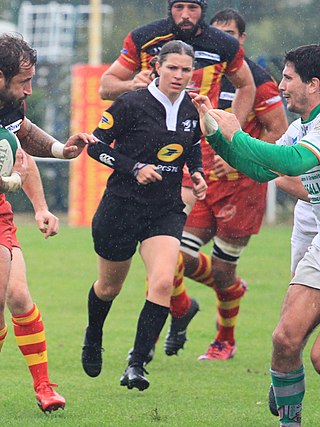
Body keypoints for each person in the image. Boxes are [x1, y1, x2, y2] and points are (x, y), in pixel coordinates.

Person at [99, 0, 256, 358]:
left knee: (173, 258)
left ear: (204, 9)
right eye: (179, 7)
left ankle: (155, 339)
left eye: (193, 8)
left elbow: (248, 87)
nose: (186, 15)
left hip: (197, 151)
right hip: (154, 155)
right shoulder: (144, 38)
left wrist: (229, 136)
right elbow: (106, 87)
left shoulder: (224, 45)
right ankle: (180, 310)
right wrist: (130, 85)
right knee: (166, 257)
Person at [191, 43, 320, 427]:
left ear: (313, 84)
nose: (280, 85)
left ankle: (287, 376)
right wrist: (216, 136)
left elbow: (295, 163)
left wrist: (237, 132)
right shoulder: (300, 127)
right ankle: (290, 416)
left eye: (288, 78)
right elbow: (263, 169)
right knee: (286, 341)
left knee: (306, 351)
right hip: (313, 229)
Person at [81, 40, 207, 391]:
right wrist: (133, 167)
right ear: (156, 67)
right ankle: (94, 335)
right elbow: (96, 146)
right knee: (109, 287)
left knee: (163, 282)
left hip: (164, 209)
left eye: (186, 69)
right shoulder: (130, 103)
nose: (180, 76)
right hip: (121, 207)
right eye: (173, 68)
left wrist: (196, 174)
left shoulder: (192, 109)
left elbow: (192, 147)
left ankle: (136, 364)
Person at [174, 8, 288, 362]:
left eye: (231, 35)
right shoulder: (199, 73)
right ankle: (208, 299)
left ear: (241, 40)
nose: (223, 41)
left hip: (243, 187)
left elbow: (279, 130)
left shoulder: (256, 78)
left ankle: (225, 338)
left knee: (223, 268)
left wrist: (239, 153)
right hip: (204, 182)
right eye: (217, 34)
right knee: (176, 257)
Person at [0, 33, 95, 413]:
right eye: (23, 81)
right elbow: (12, 170)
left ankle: (44, 387)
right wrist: (10, 181)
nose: (29, 90)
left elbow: (20, 142)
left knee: (19, 297)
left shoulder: (9, 106)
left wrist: (60, 151)